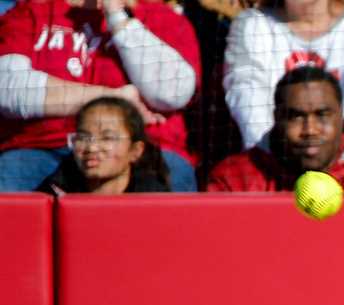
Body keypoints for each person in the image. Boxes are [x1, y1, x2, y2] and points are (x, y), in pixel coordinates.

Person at [0, 0, 199, 192]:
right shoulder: (31, 13)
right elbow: (8, 91)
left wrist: (117, 17)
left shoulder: (161, 17)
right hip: (42, 148)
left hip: (141, 150)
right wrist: (116, 98)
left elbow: (172, 93)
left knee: (167, 206)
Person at [209, 66, 344, 191]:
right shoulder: (235, 180)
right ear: (276, 118)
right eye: (296, 116)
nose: (310, 129)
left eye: (322, 115)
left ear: (342, 117)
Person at [224, 0, 344, 152]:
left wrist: (325, 153)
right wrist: (286, 153)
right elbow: (248, 100)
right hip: (275, 163)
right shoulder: (252, 24)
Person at [37, 96, 170, 194]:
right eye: (83, 137)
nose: (91, 148)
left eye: (107, 138)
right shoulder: (53, 192)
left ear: (135, 151)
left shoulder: (154, 199)